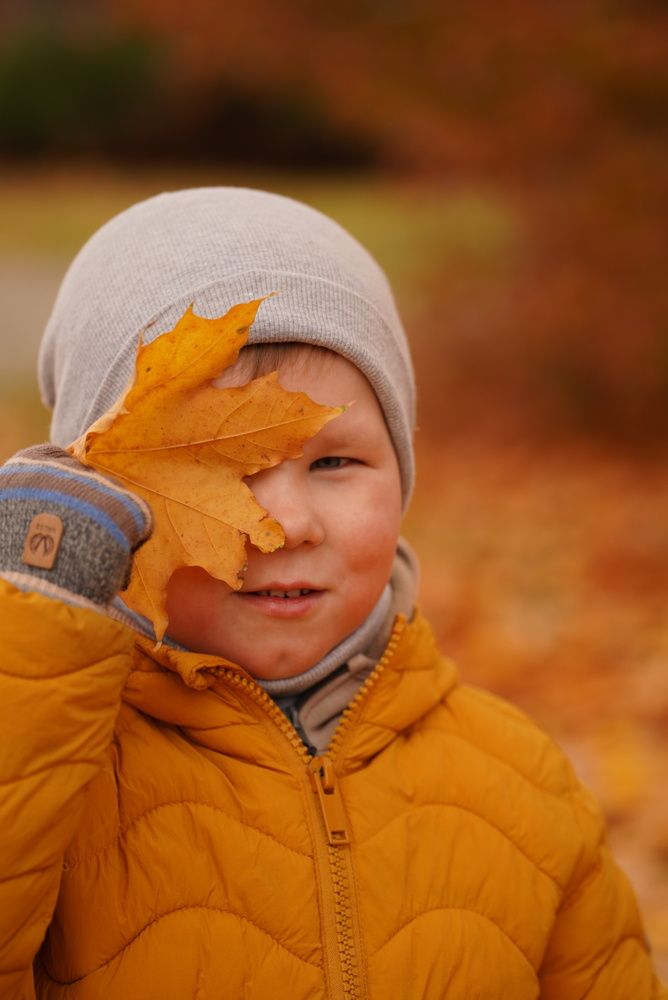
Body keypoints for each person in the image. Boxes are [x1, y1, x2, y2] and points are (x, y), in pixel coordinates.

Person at [0, 188, 664, 1000]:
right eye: (219, 470)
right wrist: (32, 647)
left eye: (335, 462)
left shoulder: (525, 785)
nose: (285, 524)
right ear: (104, 499)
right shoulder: (51, 767)